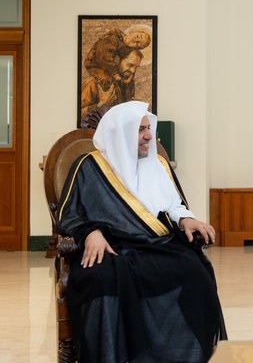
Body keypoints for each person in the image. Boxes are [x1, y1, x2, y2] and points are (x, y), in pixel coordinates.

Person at [58, 101, 227, 363]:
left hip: (156, 244)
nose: (149, 136)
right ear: (120, 134)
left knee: (193, 270)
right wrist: (90, 232)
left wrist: (185, 219)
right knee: (102, 280)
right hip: (110, 246)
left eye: (149, 128)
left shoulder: (157, 164)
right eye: (140, 130)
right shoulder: (89, 166)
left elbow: (173, 205)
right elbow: (69, 214)